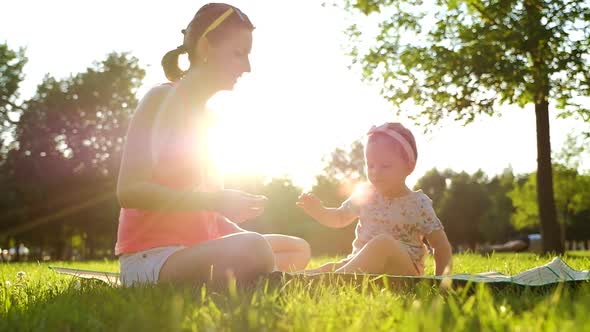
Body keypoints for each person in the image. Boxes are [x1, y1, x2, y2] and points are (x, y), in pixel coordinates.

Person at [115, 3, 310, 287]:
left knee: (296, 248)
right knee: (253, 247)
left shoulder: (211, 121)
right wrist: (217, 201)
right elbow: (129, 191)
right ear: (206, 47)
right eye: (238, 54)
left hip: (197, 251)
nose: (247, 67)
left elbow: (201, 212)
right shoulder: (158, 99)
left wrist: (225, 214)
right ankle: (273, 280)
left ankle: (265, 277)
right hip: (152, 259)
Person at [297, 123, 452, 276]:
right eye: (370, 165)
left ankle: (331, 281)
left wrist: (441, 282)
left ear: (409, 166)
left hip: (403, 272)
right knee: (330, 267)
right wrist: (319, 211)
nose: (376, 172)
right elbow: (339, 217)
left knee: (383, 243)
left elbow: (440, 246)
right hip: (363, 269)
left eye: (385, 166)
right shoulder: (366, 194)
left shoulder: (418, 204)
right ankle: (293, 279)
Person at [477, 233, 542, 254]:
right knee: (507, 247)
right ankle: (487, 248)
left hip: (530, 244)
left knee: (506, 247)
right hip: (529, 240)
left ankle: (488, 248)